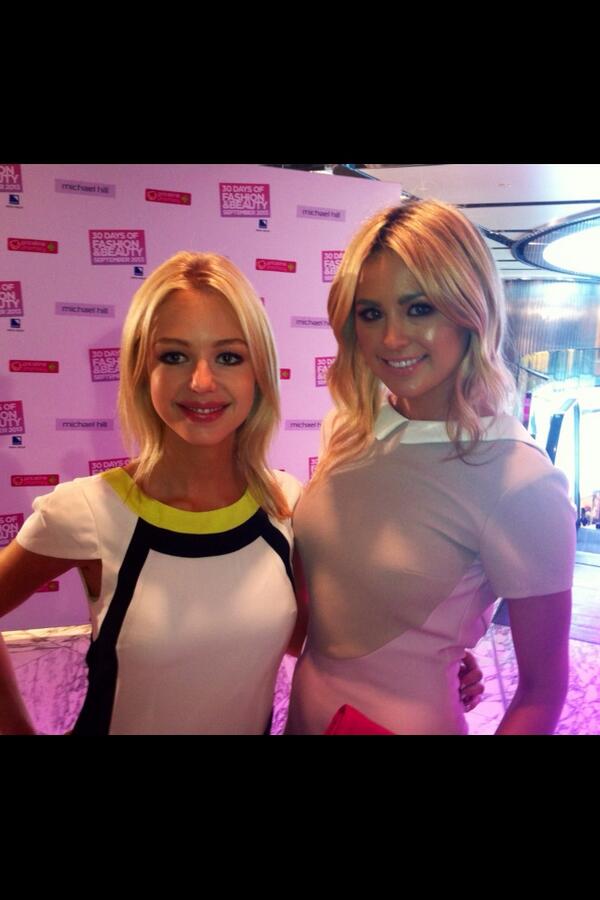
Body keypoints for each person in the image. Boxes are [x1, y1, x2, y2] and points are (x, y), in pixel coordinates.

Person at [0, 250, 483, 736]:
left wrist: (422, 661)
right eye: (174, 356)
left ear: (259, 373)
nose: (201, 382)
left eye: (228, 357)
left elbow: (314, 637)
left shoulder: (286, 505)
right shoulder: (86, 511)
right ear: (143, 371)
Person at [286, 199, 575, 735]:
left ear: (469, 308)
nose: (392, 338)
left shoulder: (521, 479)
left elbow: (543, 689)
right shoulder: (347, 429)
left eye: (419, 308)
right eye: (371, 313)